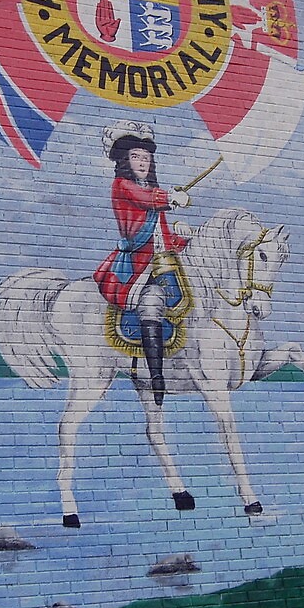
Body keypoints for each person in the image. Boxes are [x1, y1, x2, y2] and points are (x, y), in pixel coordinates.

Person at [93, 122, 190, 410]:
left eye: (146, 158)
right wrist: (169, 198)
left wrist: (181, 238)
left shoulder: (153, 190)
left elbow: (162, 237)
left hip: (161, 265)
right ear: (125, 161)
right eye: (136, 157)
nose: (143, 162)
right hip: (135, 268)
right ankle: (156, 375)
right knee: (150, 304)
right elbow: (145, 201)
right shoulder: (123, 186)